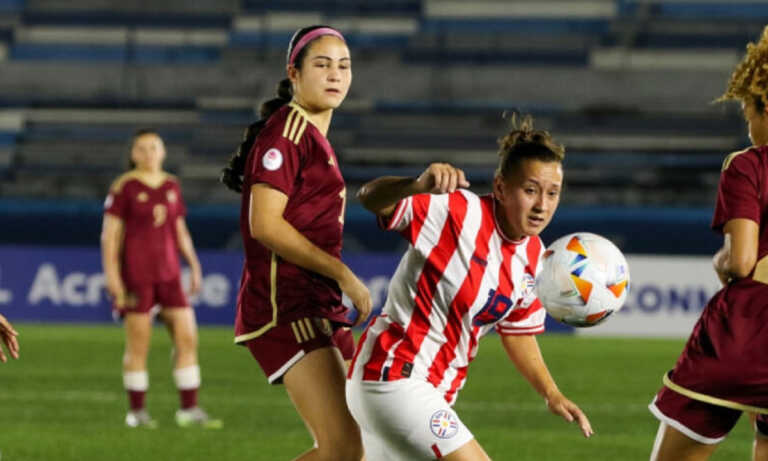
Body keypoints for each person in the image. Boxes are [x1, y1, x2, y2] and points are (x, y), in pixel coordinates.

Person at [346, 115, 593, 461]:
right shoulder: (456, 211)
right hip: (394, 377)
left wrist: (551, 393)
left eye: (553, 193)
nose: (542, 205)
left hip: (435, 392)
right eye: (530, 190)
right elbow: (370, 198)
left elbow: (518, 332)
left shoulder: (535, 257)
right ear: (501, 187)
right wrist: (416, 185)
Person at [220, 25, 371, 461]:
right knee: (345, 449)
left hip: (316, 304)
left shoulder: (310, 134)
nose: (335, 75)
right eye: (321, 65)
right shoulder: (285, 135)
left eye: (343, 66)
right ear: (294, 73)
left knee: (365, 441)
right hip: (286, 307)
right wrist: (343, 273)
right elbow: (265, 225)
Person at [649, 26, 768, 461]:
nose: (749, 126)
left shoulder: (748, 165)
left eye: (747, 113)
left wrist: (724, 260)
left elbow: (741, 262)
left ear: (763, 105)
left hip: (747, 330)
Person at [102, 129, 221, 429]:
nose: (148, 153)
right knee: (138, 345)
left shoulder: (171, 185)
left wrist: (193, 265)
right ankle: (137, 413)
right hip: (137, 276)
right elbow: (110, 236)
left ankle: (189, 410)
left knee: (187, 338)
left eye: (154, 147)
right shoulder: (124, 187)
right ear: (133, 155)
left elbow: (179, 230)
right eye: (142, 148)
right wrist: (113, 277)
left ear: (163, 151)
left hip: (169, 275)